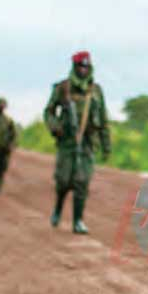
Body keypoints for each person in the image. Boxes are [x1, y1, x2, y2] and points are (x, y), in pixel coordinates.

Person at [43, 51, 111, 234]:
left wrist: (106, 145)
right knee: (64, 180)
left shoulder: (96, 91)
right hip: (67, 142)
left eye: (86, 66)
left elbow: (103, 119)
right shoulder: (63, 88)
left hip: (88, 142)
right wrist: (55, 126)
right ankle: (58, 208)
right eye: (80, 66)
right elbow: (49, 111)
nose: (83, 70)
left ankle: (78, 220)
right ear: (74, 67)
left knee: (82, 181)